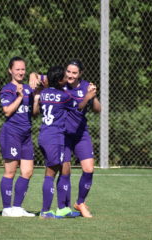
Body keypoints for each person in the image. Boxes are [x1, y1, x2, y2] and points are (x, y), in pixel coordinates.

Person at [33, 65, 80, 219]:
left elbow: (41, 80)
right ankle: (45, 211)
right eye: (65, 76)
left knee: (65, 168)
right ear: (60, 80)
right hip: (55, 137)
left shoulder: (44, 93)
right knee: (51, 172)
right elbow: (78, 106)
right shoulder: (64, 96)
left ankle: (62, 208)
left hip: (46, 135)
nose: (68, 78)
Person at [63, 59, 101, 218]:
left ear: (80, 74)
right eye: (69, 72)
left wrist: (94, 96)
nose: (70, 75)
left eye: (74, 73)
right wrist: (33, 75)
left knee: (89, 169)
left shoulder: (86, 86)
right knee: (65, 171)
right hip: (63, 133)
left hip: (80, 134)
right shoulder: (60, 84)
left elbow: (97, 109)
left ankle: (80, 202)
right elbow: (78, 106)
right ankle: (63, 206)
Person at [0, 57, 35, 217]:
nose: (21, 72)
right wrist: (19, 97)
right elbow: (6, 111)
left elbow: (33, 112)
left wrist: (37, 97)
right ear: (10, 70)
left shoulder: (28, 89)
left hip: (26, 135)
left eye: (23, 69)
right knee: (10, 172)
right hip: (12, 133)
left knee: (27, 171)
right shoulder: (7, 89)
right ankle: (7, 208)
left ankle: (18, 207)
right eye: (17, 69)